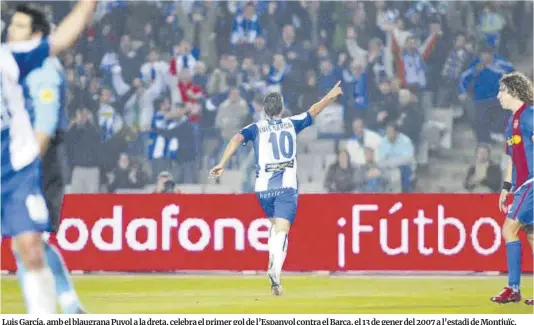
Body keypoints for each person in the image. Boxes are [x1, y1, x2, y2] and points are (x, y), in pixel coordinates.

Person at [4, 1, 96, 313]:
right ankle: (69, 304)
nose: (9, 31)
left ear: (37, 36)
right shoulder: (11, 61)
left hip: (34, 161)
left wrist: (28, 161)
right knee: (27, 242)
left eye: (18, 26)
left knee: (29, 241)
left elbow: (44, 126)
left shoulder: (41, 68)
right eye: (10, 24)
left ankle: (66, 305)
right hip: (18, 158)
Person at [209, 82, 343, 295]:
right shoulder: (291, 123)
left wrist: (222, 163)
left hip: (262, 189)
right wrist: (331, 95)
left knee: (275, 226)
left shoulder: (256, 127)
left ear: (264, 109)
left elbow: (236, 138)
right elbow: (314, 110)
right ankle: (275, 270)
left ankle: (275, 282)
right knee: (283, 229)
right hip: (286, 187)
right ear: (282, 109)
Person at [491, 72, 533, 306]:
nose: (498, 96)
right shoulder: (511, 122)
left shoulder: (530, 116)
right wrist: (506, 187)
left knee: (509, 229)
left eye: (502, 91)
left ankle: (513, 288)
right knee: (532, 235)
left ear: (514, 92)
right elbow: (512, 159)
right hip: (521, 186)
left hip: (532, 184)